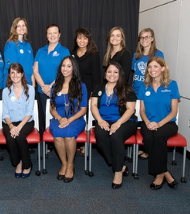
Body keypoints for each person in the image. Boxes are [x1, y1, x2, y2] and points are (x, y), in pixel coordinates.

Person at [91, 61, 137, 189]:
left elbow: (130, 109)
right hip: (104, 120)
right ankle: (120, 165)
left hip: (125, 121)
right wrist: (99, 120)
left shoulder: (127, 88)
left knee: (116, 136)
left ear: (120, 74)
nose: (112, 74)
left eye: (115, 72)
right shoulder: (99, 88)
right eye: (109, 71)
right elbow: (93, 105)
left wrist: (118, 123)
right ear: (105, 73)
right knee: (100, 135)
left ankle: (117, 173)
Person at [138, 57, 179, 190]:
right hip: (148, 122)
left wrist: (159, 124)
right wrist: (148, 122)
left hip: (167, 123)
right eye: (149, 67)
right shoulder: (144, 87)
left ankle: (159, 175)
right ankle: (165, 171)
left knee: (158, 136)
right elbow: (142, 110)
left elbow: (173, 112)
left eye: (155, 66)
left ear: (162, 68)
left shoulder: (172, 85)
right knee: (149, 137)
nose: (152, 70)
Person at [49, 56, 87, 183]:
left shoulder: (81, 86)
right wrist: (60, 118)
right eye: (63, 66)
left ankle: (71, 164)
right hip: (58, 118)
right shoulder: (55, 85)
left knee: (69, 134)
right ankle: (64, 164)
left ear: (73, 68)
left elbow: (83, 109)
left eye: (69, 66)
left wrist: (69, 120)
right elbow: (52, 108)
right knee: (58, 134)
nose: (65, 68)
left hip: (75, 118)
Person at [132, 28, 164, 160]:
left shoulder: (158, 54)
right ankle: (141, 147)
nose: (144, 40)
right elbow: (135, 74)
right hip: (136, 91)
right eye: (141, 37)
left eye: (147, 37)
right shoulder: (136, 55)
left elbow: (159, 74)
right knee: (136, 119)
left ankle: (150, 150)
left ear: (152, 38)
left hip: (150, 93)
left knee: (148, 118)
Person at [71, 27, 101, 156]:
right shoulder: (72, 53)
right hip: (74, 91)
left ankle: (85, 145)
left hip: (88, 92)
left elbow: (97, 77)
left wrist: (93, 95)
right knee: (75, 116)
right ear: (76, 39)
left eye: (84, 38)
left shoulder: (93, 55)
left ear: (88, 39)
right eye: (79, 38)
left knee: (87, 118)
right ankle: (77, 141)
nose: (82, 40)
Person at [2, 63, 35, 178]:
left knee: (20, 136)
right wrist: (11, 126)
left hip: (26, 122)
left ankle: (27, 164)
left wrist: (19, 127)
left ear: (22, 74)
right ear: (9, 75)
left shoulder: (30, 89)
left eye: (17, 72)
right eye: (12, 72)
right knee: (10, 139)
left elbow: (29, 112)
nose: (15, 75)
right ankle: (18, 163)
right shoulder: (5, 91)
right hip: (10, 122)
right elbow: (5, 113)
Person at [34, 24, 70, 117]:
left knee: (57, 117)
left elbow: (65, 72)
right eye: (49, 33)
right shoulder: (40, 51)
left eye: (55, 33)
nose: (52, 35)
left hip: (58, 90)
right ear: (46, 35)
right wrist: (44, 87)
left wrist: (50, 87)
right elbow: (35, 71)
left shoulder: (64, 51)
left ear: (59, 34)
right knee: (43, 118)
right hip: (42, 91)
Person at [4, 17, 34, 87]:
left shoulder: (28, 45)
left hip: (29, 83)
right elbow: (12, 69)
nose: (21, 28)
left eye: (23, 25)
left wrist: (33, 84)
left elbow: (31, 66)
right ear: (15, 28)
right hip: (16, 84)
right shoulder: (11, 44)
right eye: (19, 26)